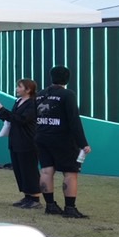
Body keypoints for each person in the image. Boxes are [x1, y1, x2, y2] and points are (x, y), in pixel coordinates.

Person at [34, 65, 90, 219]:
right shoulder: (67, 94)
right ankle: (70, 208)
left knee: (46, 170)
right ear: (67, 79)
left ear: (51, 77)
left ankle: (50, 205)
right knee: (70, 172)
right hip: (62, 139)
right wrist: (83, 143)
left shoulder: (40, 95)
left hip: (42, 137)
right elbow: (74, 120)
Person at [0, 78, 41, 208]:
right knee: (20, 169)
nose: (17, 89)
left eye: (20, 87)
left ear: (28, 90)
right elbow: (13, 118)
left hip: (27, 141)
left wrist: (2, 110)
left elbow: (22, 119)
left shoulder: (32, 103)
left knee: (29, 169)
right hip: (15, 139)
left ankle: (35, 198)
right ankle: (27, 196)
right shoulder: (18, 101)